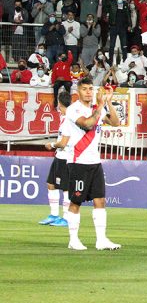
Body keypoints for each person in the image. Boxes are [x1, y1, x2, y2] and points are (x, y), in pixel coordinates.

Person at [60, 77, 122, 251]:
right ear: (78, 91)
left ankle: (101, 240)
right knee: (76, 201)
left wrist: (109, 102)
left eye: (90, 89)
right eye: (85, 89)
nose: (88, 92)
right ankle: (73, 239)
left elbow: (116, 123)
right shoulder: (73, 110)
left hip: (95, 162)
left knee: (100, 200)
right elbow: (87, 124)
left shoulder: (97, 109)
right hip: (78, 162)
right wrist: (101, 106)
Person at [39, 91, 73, 227]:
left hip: (66, 157)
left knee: (65, 188)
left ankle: (66, 218)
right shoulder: (64, 116)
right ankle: (53, 214)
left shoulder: (69, 119)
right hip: (59, 156)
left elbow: (64, 142)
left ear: (59, 104)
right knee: (51, 184)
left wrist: (51, 144)